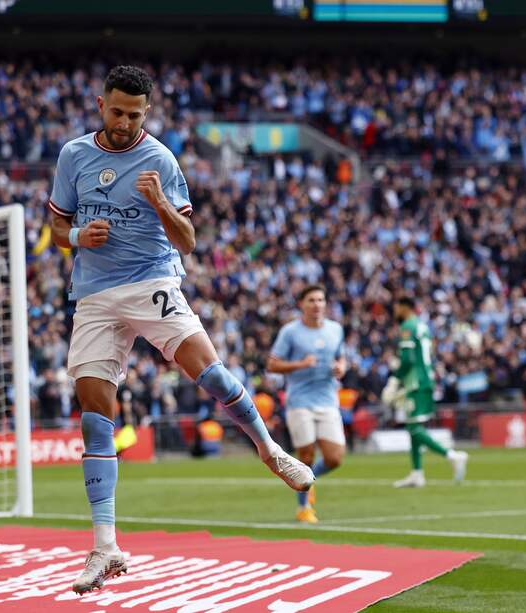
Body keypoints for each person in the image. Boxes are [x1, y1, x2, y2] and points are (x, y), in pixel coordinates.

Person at [47, 65, 314, 595]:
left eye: (136, 115)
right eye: (118, 112)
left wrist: (161, 204)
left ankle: (267, 448)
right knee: (95, 418)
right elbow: (56, 225)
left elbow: (189, 239)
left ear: (148, 113)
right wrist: (78, 234)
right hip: (94, 295)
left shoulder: (160, 159)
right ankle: (105, 548)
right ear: (101, 105)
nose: (125, 122)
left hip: (152, 281)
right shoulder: (73, 155)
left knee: (209, 375)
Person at [267, 284, 347, 524]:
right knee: (307, 455)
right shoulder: (290, 332)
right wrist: (300, 364)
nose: (317, 305)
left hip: (327, 399)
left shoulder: (335, 329)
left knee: (335, 458)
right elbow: (272, 365)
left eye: (321, 300)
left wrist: (341, 367)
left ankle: (307, 481)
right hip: (299, 401)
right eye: (311, 300)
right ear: (301, 304)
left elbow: (341, 356)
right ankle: (304, 508)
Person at [381, 297, 467, 488]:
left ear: (405, 308)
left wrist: (394, 380)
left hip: (416, 383)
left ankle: (452, 455)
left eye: (396, 307)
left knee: (414, 428)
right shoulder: (422, 326)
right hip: (426, 379)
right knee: (415, 427)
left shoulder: (408, 327)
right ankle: (417, 473)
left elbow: (408, 358)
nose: (395, 312)